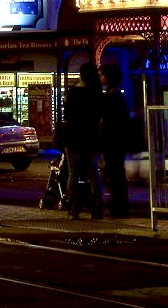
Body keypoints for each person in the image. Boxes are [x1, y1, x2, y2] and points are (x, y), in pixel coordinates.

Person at [63, 62, 104, 220]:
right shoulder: (98, 93)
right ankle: (97, 209)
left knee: (73, 174)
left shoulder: (73, 93)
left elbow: (67, 116)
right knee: (94, 174)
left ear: (81, 75)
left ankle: (73, 209)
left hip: (74, 138)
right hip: (92, 138)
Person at [100, 62, 131, 218]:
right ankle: (120, 205)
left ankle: (119, 207)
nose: (101, 77)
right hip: (117, 141)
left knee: (115, 175)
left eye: (102, 74)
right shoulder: (116, 94)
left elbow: (109, 122)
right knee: (116, 174)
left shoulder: (112, 96)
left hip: (113, 142)